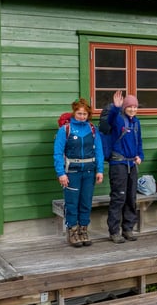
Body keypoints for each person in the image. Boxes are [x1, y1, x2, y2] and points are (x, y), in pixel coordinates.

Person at [53, 98, 104, 247]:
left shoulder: (92, 129)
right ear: (74, 113)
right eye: (79, 113)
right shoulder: (65, 130)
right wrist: (61, 173)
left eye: (85, 114)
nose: (82, 116)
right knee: (72, 203)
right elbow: (57, 153)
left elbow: (99, 150)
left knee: (86, 203)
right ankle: (73, 231)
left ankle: (83, 230)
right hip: (72, 172)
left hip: (89, 171)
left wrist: (100, 170)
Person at [106, 91, 144, 244]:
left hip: (132, 164)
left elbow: (139, 141)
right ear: (125, 107)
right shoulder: (118, 120)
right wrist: (115, 107)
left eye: (135, 107)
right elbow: (110, 120)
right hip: (118, 164)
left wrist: (140, 155)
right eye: (130, 107)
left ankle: (128, 228)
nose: (133, 109)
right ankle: (114, 231)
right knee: (118, 197)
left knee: (131, 198)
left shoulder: (136, 122)